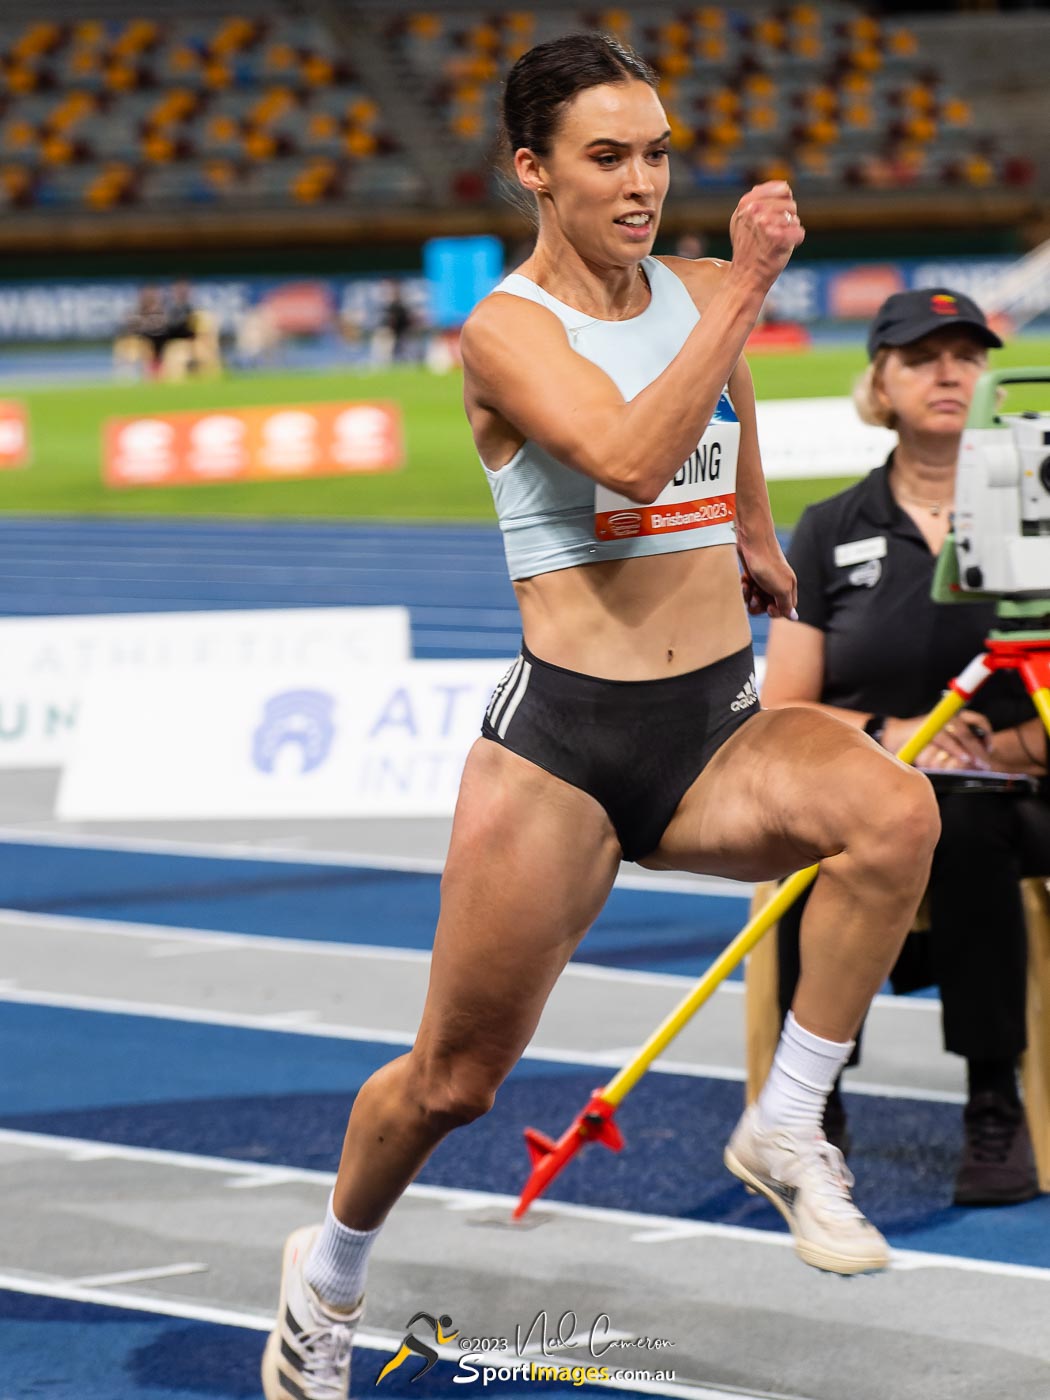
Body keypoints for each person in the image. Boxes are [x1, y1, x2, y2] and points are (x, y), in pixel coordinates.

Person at [261, 35, 941, 1400]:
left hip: (714, 729)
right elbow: (630, 455)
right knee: (453, 1083)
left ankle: (789, 1125)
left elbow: (725, 402)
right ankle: (325, 1278)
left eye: (659, 153)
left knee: (892, 811)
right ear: (533, 169)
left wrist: (752, 530)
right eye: (608, 157)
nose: (643, 182)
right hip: (562, 751)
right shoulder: (509, 330)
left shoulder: (693, 290)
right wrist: (746, 288)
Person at [762, 287, 1050, 1205]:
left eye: (966, 356)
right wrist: (892, 740)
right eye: (924, 357)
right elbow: (786, 706)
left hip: (1018, 793)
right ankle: (811, 1107)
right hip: (867, 795)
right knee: (854, 827)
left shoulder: (1037, 516)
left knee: (964, 827)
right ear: (879, 382)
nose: (949, 373)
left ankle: (992, 1100)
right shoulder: (829, 528)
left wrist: (1011, 744)